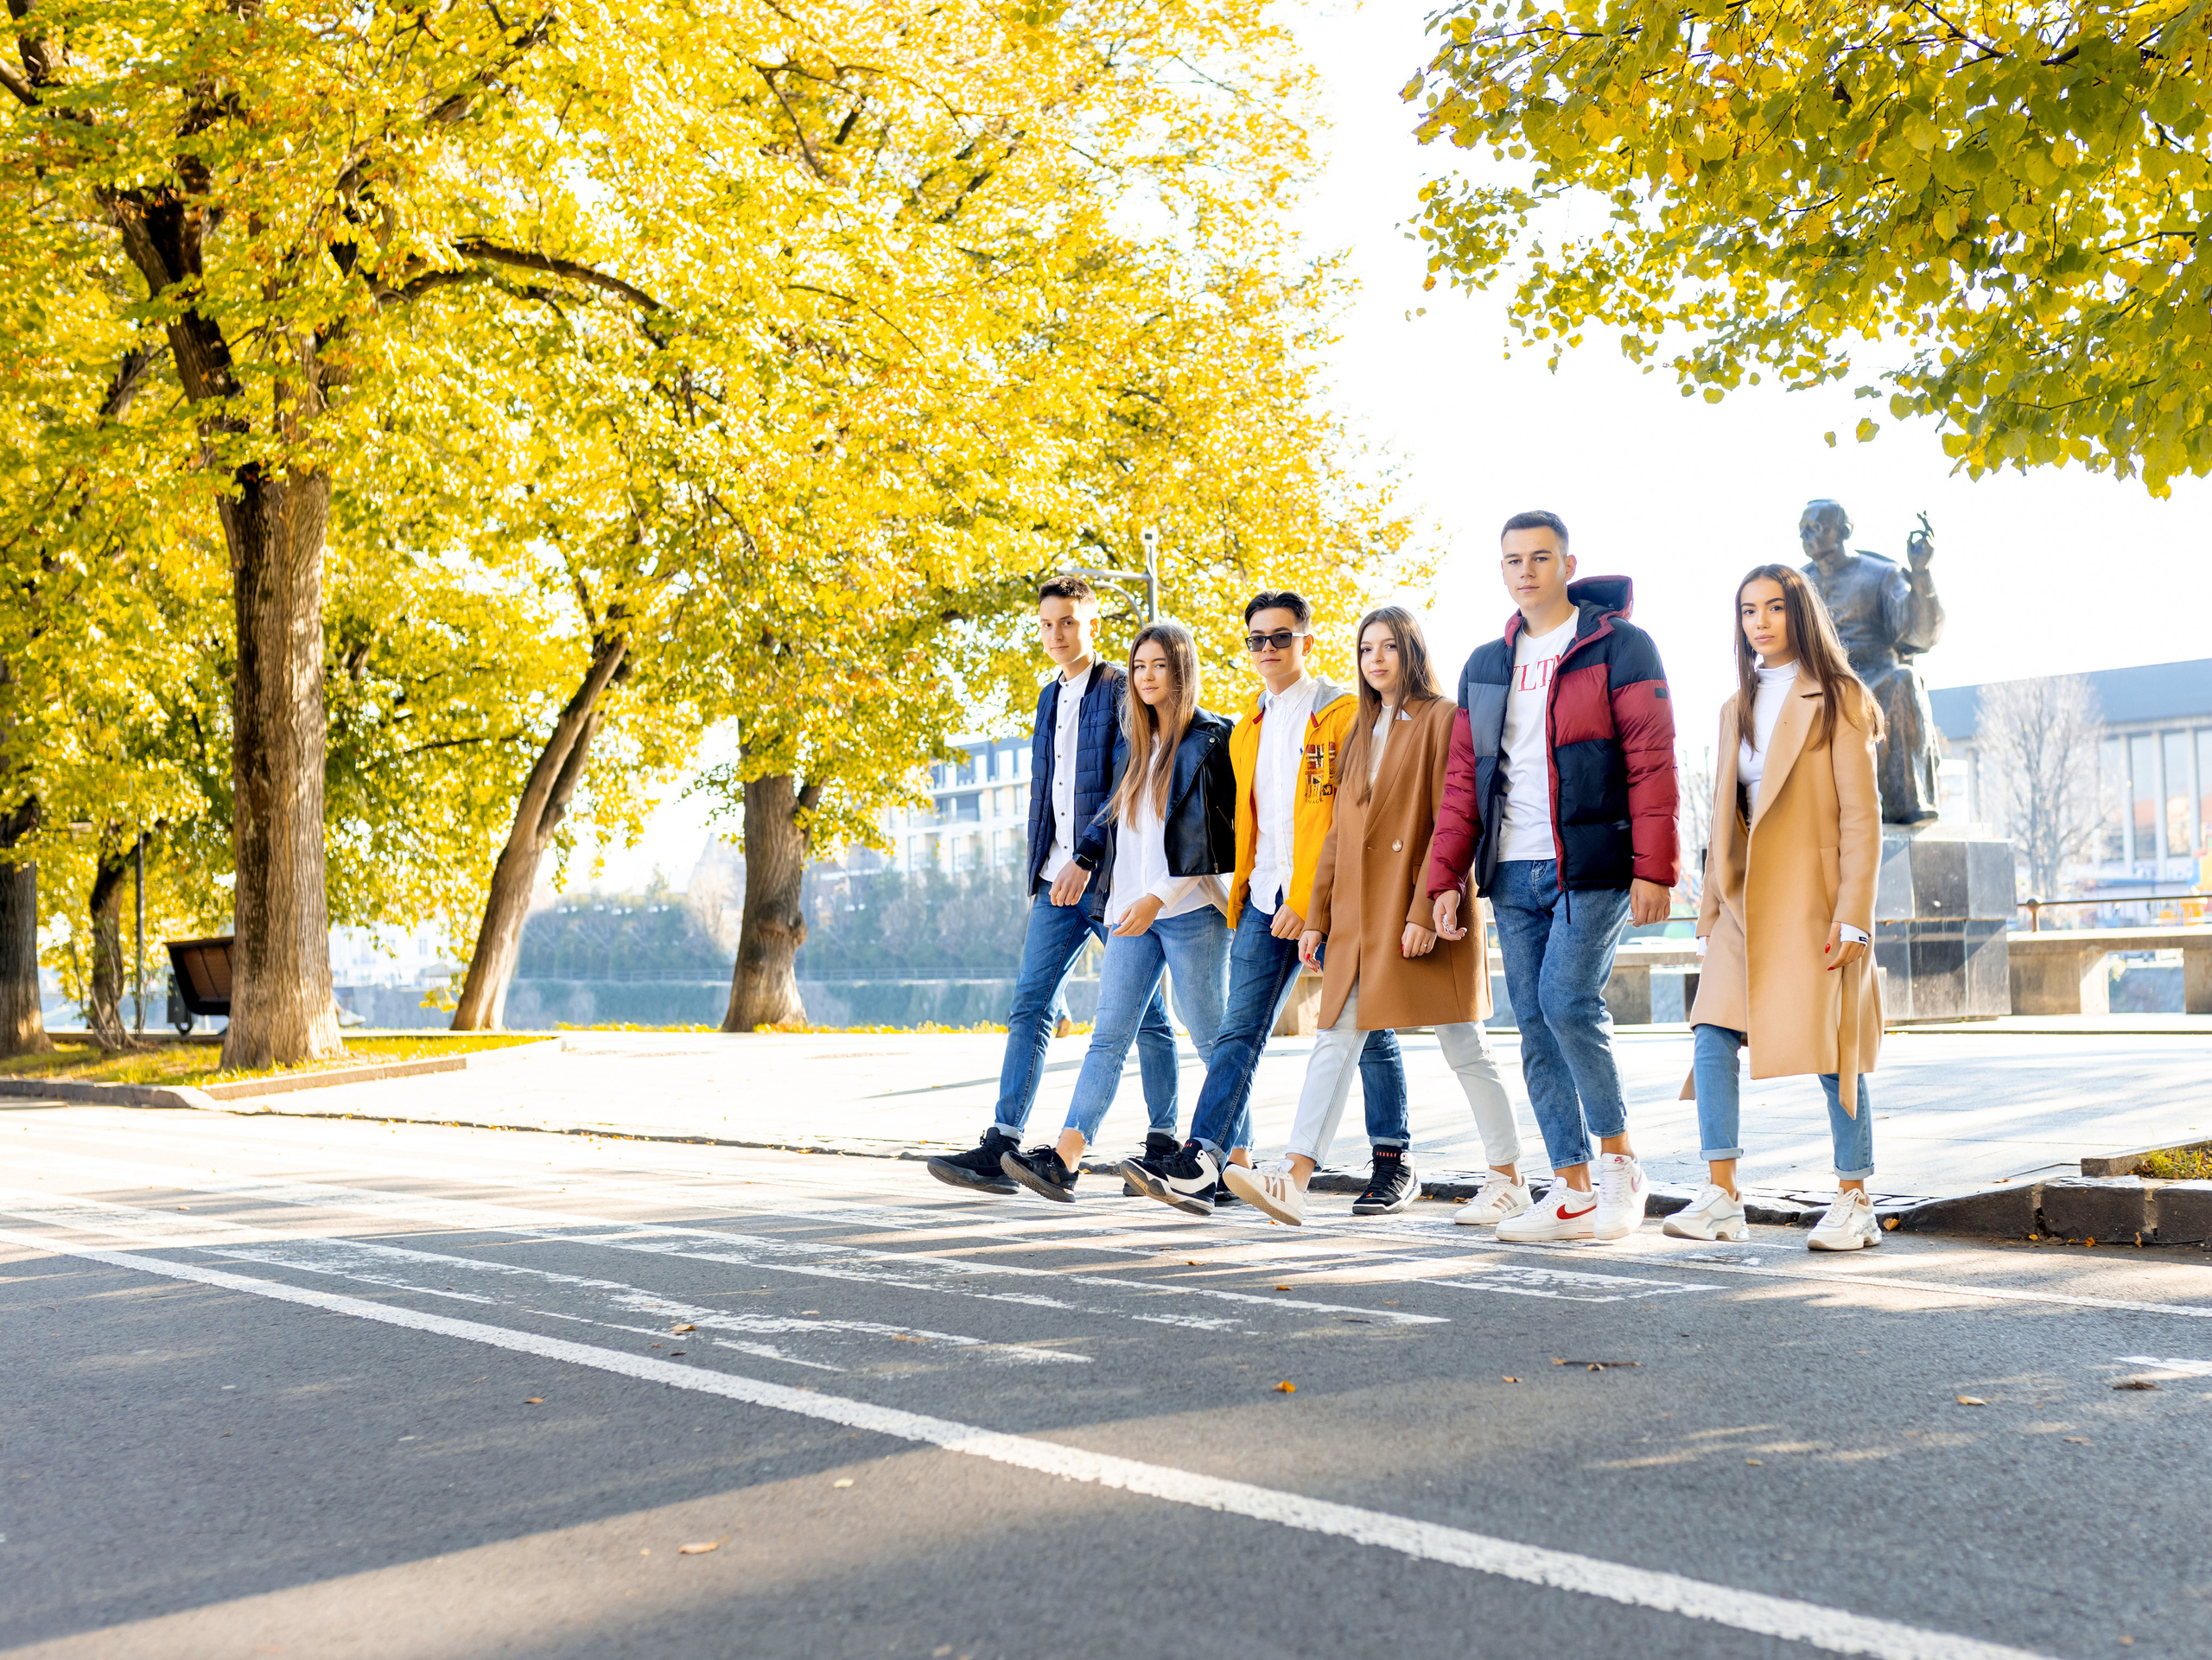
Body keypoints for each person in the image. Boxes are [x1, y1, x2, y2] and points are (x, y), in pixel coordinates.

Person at [1210, 607, 1531, 1226]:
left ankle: (1509, 1174)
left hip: (1425, 910)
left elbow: (1452, 819)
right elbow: (1337, 833)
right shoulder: (1361, 727)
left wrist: (1420, 908)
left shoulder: (1442, 719)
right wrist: (1317, 918)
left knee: (1465, 1046)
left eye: (1388, 647)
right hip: (1360, 917)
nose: (1376, 659)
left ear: (1411, 650)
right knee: (1334, 1037)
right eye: (1366, 649)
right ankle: (1294, 1177)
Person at [1426, 510, 1678, 1243]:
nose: (1526, 571)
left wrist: (1653, 867)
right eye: (1513, 560)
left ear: (1569, 564)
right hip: (1512, 867)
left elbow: (1651, 761)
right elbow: (1463, 785)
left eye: (1540, 557)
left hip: (1592, 862)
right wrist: (1446, 877)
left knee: (1567, 1001)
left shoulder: (1620, 646)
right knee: (1532, 1021)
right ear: (1502, 570)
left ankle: (1620, 1162)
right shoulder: (1485, 664)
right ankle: (1569, 1186)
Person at [1124, 593, 1410, 1218]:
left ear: (1307, 641)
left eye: (1280, 637)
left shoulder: (1341, 714)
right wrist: (1254, 894)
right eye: (1256, 639)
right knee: (1239, 1031)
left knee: (1369, 1027)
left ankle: (1392, 1159)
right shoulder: (1246, 727)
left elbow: (1346, 819)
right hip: (1260, 902)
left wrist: (1312, 904)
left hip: (1332, 903)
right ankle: (1203, 1159)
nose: (1267, 649)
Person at [925, 578, 1179, 1196]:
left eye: (1067, 621)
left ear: (1090, 622)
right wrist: (1041, 865)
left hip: (1106, 880)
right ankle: (1003, 1142)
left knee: (1145, 1016)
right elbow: (1048, 791)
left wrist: (1086, 858)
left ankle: (1163, 1142)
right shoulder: (1047, 697)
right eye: (1046, 624)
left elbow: (1126, 781)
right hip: (1053, 881)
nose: (1056, 634)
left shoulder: (1120, 688)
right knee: (1030, 1003)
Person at [1664, 565, 1886, 1251]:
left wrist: (1855, 914)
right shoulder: (1736, 706)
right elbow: (1723, 819)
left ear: (1801, 613)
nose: (1759, 620)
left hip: (1814, 904)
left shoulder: (1841, 697)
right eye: (1747, 610)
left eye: (1774, 607)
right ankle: (1722, 1195)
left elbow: (1861, 816)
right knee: (1710, 1035)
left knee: (1833, 1049)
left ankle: (1855, 1199)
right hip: (1739, 906)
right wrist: (1707, 914)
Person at [1001, 620, 1236, 1202]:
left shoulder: (1210, 738)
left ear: (1181, 669)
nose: (1147, 676)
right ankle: (1066, 1157)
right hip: (1132, 912)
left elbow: (1210, 846)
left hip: (1188, 911)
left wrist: (1155, 898)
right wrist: (1122, 901)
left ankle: (1234, 1165)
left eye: (1159, 665)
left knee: (1214, 1040)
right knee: (1107, 1037)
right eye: (1139, 666)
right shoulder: (1134, 743)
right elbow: (1125, 832)